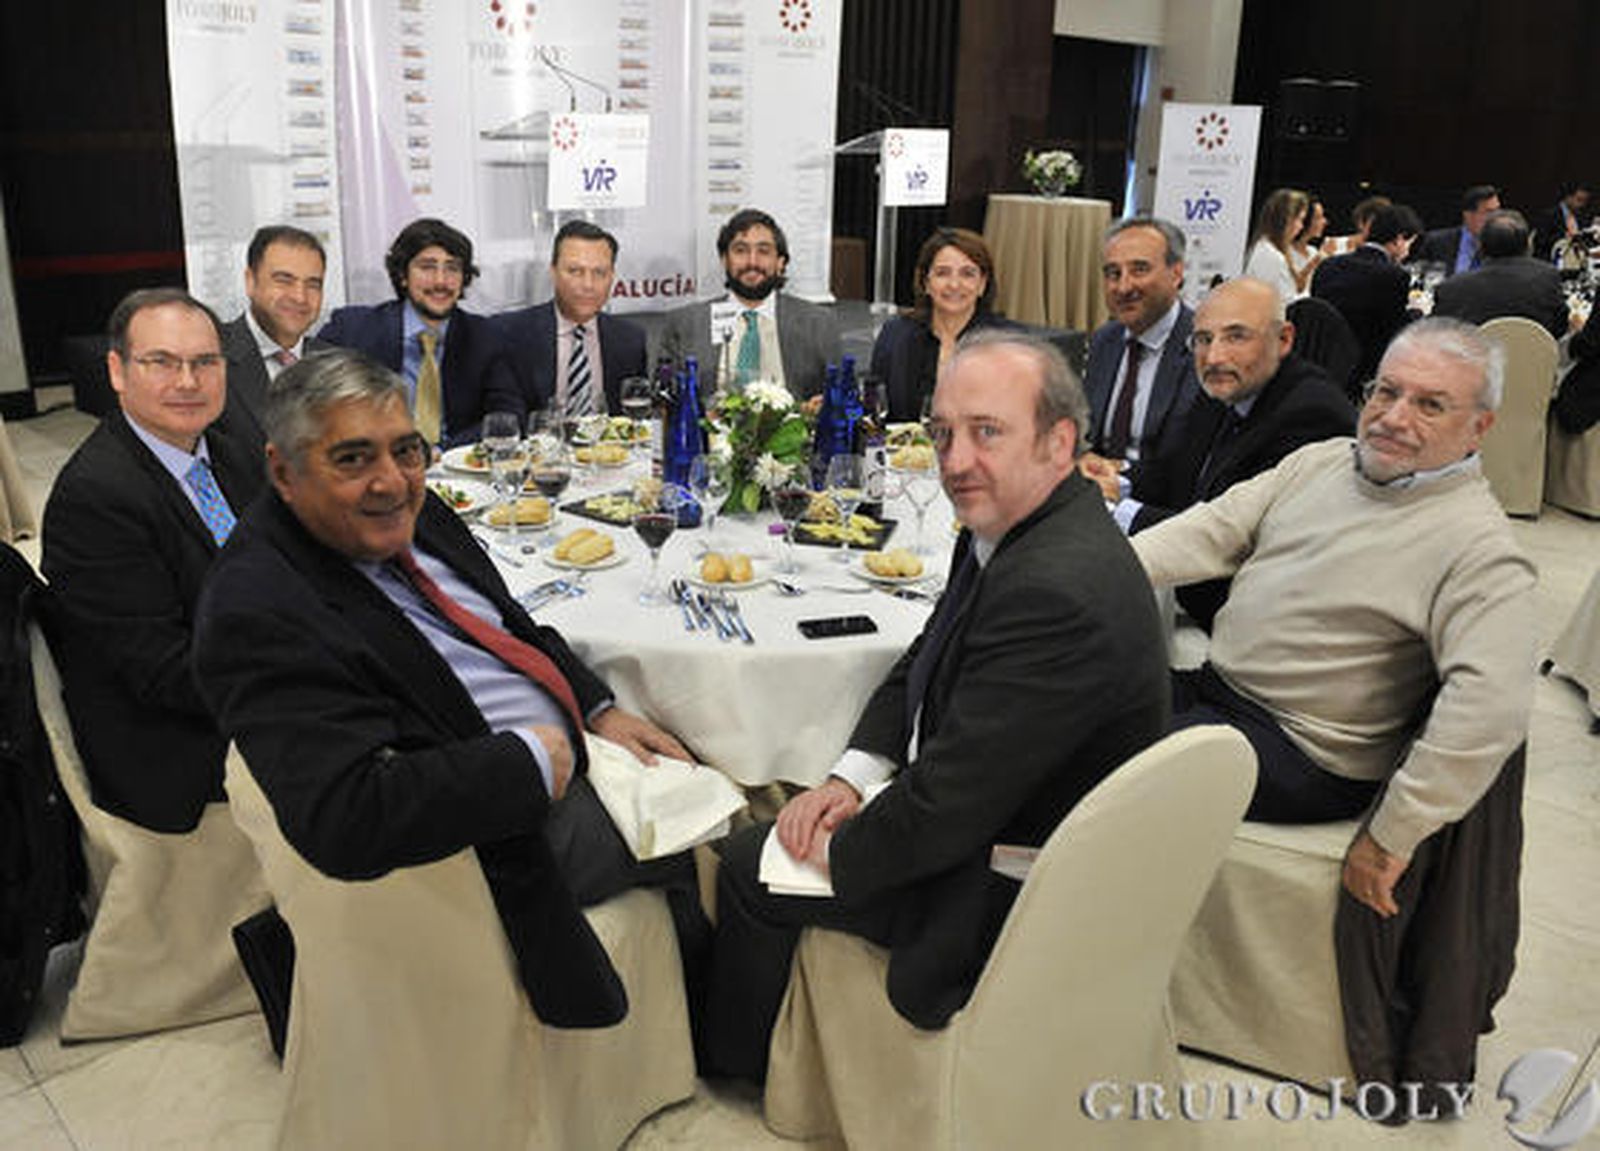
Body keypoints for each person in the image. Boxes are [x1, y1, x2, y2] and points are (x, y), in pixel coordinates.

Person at [699, 331, 1168, 1080]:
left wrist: (841, 849)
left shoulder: (1056, 588)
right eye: (943, 433)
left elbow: (950, 803)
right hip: (995, 806)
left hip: (1013, 878)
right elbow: (927, 654)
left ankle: (737, 1074)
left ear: (1059, 442)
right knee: (794, 808)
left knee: (750, 863)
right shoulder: (1016, 525)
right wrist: (849, 777)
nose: (954, 461)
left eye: (987, 432)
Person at [192, 348, 708, 1024]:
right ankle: (706, 1024)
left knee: (702, 752)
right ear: (283, 471)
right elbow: (345, 817)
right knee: (711, 834)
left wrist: (594, 706)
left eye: (406, 450)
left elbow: (507, 624)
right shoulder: (257, 608)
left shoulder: (414, 505)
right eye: (352, 458)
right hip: (503, 829)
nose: (391, 481)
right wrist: (525, 761)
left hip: (570, 745)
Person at [1132, 317, 1534, 919]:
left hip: (1304, 752)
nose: (1395, 417)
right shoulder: (1322, 463)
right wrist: (1094, 574)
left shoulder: (1480, 549)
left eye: (1430, 405)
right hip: (1218, 691)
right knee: (1062, 679)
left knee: (1101, 744)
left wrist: (1392, 835)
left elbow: (1489, 710)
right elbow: (1212, 529)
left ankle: (1055, 924)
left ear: (1479, 428)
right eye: (1387, 391)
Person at [42, 288, 265, 831]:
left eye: (205, 362)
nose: (188, 382)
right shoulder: (94, 499)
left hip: (243, 673)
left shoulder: (232, 448)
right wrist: (304, 676)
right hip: (177, 737)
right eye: (161, 362)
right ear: (117, 371)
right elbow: (165, 673)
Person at [1096, 278, 1354, 630]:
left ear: (1284, 340)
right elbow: (1175, 469)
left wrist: (1116, 510)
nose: (1214, 356)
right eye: (1203, 339)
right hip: (1185, 592)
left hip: (1241, 626)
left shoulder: (1311, 415)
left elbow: (1234, 542)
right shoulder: (1229, 385)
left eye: (1237, 336)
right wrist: (1116, 481)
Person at [318, 217, 522, 448]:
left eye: (452, 268)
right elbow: (312, 404)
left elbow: (508, 416)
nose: (440, 281)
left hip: (455, 468)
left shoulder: (486, 336)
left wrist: (443, 452)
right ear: (403, 276)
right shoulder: (352, 328)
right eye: (427, 267)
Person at [660, 208, 841, 400]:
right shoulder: (684, 324)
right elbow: (665, 402)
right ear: (724, 260)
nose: (752, 261)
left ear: (780, 262)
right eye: (740, 250)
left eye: (763, 251)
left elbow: (840, 398)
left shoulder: (819, 323)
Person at [1078, 216, 1198, 473]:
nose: (1123, 286)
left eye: (1139, 269)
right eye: (1113, 273)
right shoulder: (1104, 340)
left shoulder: (1203, 346)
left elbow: (1188, 462)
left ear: (1176, 273)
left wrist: (1119, 476)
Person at [494, 220, 647, 416]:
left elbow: (634, 421)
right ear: (554, 272)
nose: (588, 284)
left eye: (599, 273)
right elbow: (504, 419)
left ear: (612, 277)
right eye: (575, 271)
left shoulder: (630, 340)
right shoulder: (510, 334)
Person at [869, 227, 1019, 420]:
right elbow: (875, 409)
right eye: (942, 273)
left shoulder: (1009, 344)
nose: (954, 284)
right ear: (926, 283)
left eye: (967, 274)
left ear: (982, 284)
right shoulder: (895, 334)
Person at [219, 225, 330, 438]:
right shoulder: (211, 356)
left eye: (313, 284)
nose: (300, 297)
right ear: (250, 282)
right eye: (284, 281)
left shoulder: (336, 363)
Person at [1312, 202, 1423, 387]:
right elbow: (1393, 332)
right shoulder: (1393, 276)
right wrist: (1416, 314)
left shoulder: (1328, 265)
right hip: (1363, 373)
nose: (1408, 251)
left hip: (1319, 364)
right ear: (1399, 239)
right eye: (1410, 244)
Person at [1432, 209, 1570, 339]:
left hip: (1476, 362)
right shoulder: (1548, 278)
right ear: (1527, 245)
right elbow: (1559, 328)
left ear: (1481, 247)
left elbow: (1438, 334)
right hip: (1535, 362)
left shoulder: (1452, 288)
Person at [1414, 184, 1501, 277]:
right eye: (1489, 212)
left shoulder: (1503, 245)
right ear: (1468, 215)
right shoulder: (1436, 242)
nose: (1497, 217)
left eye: (1498, 211)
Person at [1244, 188, 1310, 302]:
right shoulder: (1270, 256)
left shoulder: (1266, 249)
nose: (1301, 226)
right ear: (1286, 220)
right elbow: (1285, 304)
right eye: (1300, 219)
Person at [1533, 181, 1592, 261]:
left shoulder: (1584, 216)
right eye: (1579, 200)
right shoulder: (1548, 215)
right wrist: (1566, 237)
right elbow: (1540, 242)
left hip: (1579, 261)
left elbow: (1587, 242)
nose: (1582, 205)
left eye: (1585, 201)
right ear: (1568, 197)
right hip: (1551, 260)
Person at [1287, 196, 1328, 295]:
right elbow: (1294, 287)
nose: (1324, 222)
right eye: (1318, 218)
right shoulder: (1285, 251)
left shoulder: (1313, 251)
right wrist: (1316, 260)